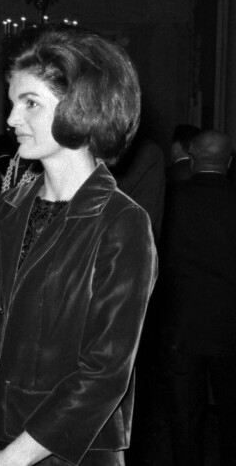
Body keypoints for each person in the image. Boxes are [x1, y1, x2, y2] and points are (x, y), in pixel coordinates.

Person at [0, 25, 158, 466]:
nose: (10, 119)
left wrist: (15, 458)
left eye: (31, 103)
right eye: (12, 102)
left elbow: (104, 373)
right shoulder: (9, 206)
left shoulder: (121, 222)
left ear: (82, 108)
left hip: (68, 451)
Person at [158, 130, 236, 466]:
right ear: (229, 162)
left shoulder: (172, 199)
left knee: (184, 421)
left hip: (182, 325)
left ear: (192, 158)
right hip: (232, 328)